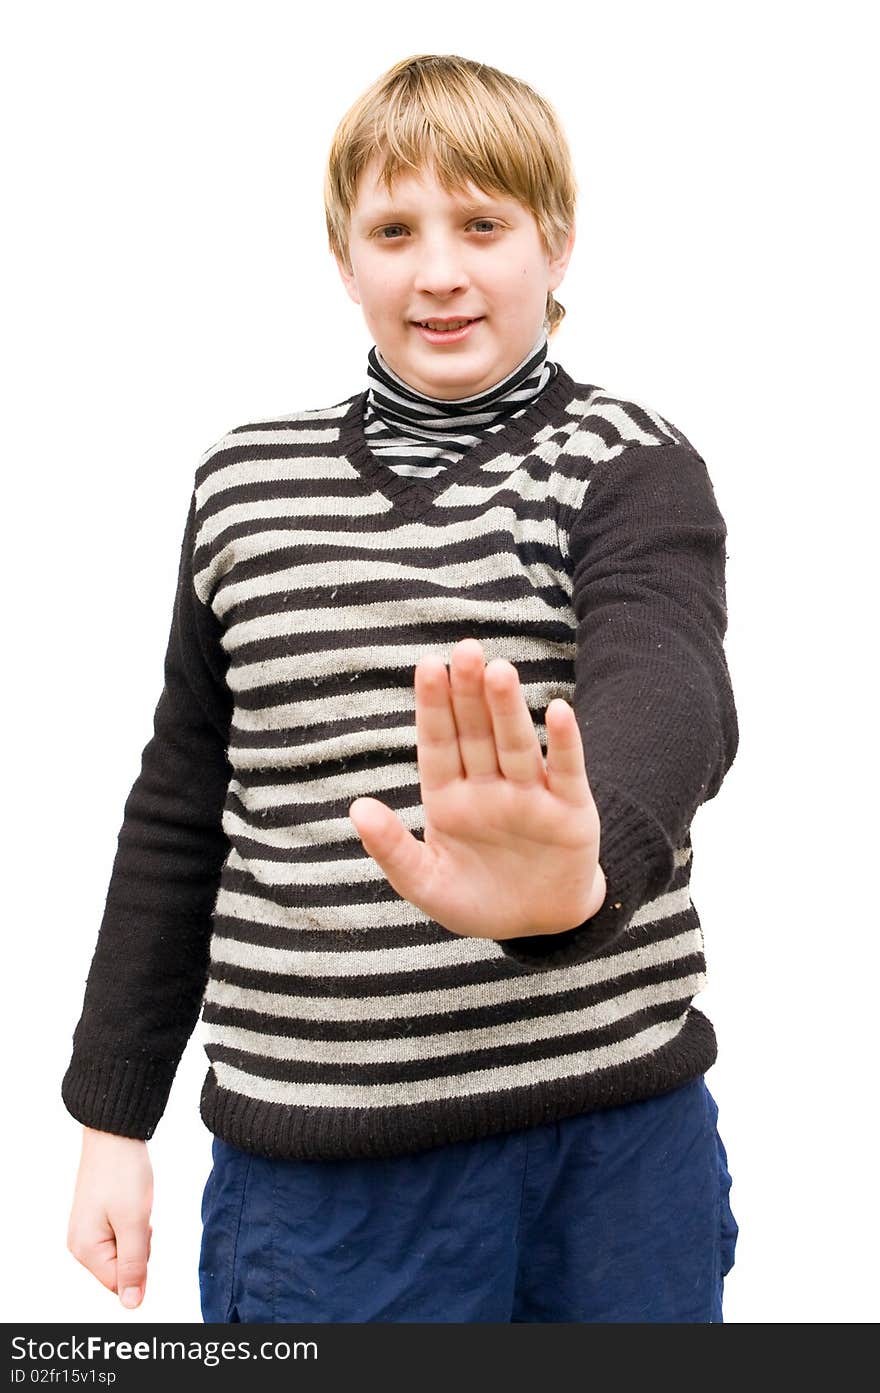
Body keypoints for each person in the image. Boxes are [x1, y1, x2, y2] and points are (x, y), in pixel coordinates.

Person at [62, 52, 740, 1323]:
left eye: (481, 223)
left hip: (609, 1155)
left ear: (556, 241)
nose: (438, 271)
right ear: (343, 256)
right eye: (393, 229)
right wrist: (113, 1112)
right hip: (324, 1184)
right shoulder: (245, 489)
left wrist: (583, 870)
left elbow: (675, 689)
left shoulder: (624, 462)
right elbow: (176, 803)